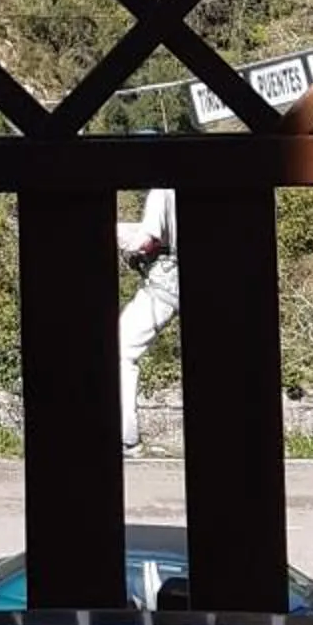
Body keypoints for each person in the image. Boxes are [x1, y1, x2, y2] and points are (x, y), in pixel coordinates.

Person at [116, 186, 179, 452]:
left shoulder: (160, 191)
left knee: (121, 350)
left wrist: (127, 245)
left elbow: (148, 240)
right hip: (176, 283)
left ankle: (127, 438)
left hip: (164, 284)